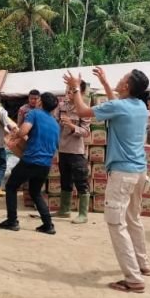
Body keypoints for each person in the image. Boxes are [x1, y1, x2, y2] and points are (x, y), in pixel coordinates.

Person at [64, 66, 150, 294]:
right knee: (133, 218)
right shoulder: (139, 106)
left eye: (121, 79)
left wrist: (75, 87)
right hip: (139, 172)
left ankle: (133, 279)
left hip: (122, 174)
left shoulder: (120, 106)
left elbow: (82, 110)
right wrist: (104, 84)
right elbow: (116, 108)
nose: (118, 81)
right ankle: (142, 264)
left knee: (116, 223)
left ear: (126, 86)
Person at [0, 92, 60, 235]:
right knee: (35, 192)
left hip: (31, 159)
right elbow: (56, 146)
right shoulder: (55, 123)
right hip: (45, 163)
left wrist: (14, 135)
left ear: (41, 102)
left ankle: (12, 221)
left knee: (11, 187)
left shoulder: (34, 113)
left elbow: (24, 130)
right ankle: (48, 225)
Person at [56, 80, 92, 222]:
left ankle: (83, 214)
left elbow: (86, 132)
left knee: (81, 181)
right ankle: (65, 209)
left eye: (72, 89)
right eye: (67, 89)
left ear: (81, 92)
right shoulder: (61, 107)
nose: (69, 92)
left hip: (76, 151)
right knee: (65, 180)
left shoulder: (84, 109)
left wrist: (72, 126)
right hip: (63, 149)